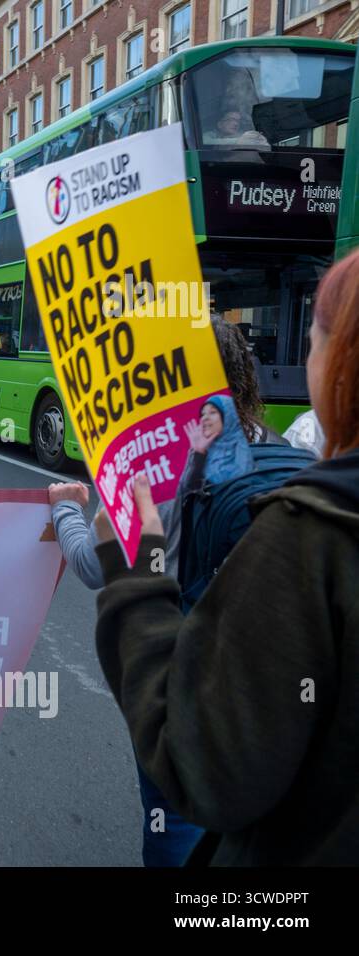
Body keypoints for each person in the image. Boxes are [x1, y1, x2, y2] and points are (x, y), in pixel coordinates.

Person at [91, 249, 359, 865]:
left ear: (339, 364)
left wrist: (136, 578)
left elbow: (203, 766)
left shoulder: (312, 531)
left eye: (315, 340)